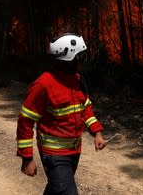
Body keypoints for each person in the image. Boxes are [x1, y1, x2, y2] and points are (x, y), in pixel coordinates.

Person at [16, 33, 106, 195]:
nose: (82, 62)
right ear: (68, 59)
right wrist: (27, 158)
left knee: (57, 189)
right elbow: (25, 121)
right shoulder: (43, 85)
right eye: (80, 57)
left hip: (74, 151)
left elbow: (85, 108)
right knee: (66, 191)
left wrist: (97, 133)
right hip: (54, 153)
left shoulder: (76, 79)